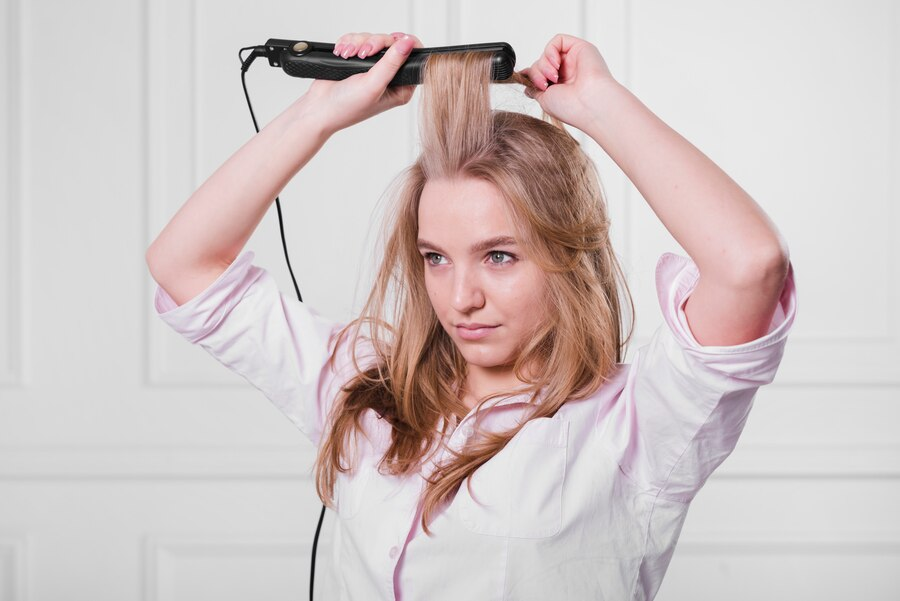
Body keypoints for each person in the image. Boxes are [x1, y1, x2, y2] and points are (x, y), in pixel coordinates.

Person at [146, 31, 797, 601]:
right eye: (435, 257)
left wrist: (600, 106)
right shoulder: (363, 386)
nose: (461, 297)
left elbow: (750, 265)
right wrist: (317, 114)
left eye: (499, 255)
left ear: (566, 251)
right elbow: (185, 265)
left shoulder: (637, 426)